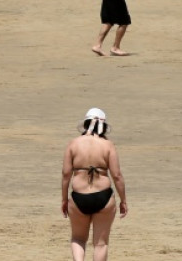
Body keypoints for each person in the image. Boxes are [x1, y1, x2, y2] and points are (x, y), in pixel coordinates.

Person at [61, 108, 128, 261]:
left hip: (79, 197)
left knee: (78, 239)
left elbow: (66, 175)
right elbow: (117, 176)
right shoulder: (108, 145)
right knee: (101, 244)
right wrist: (123, 200)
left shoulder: (73, 144)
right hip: (103, 196)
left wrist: (64, 199)